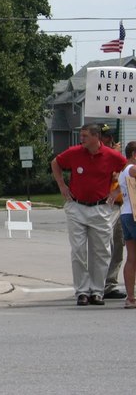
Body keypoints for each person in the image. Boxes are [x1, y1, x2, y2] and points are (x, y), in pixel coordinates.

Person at [51, 123, 127, 306]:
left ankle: (97, 291)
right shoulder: (74, 152)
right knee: (78, 250)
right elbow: (56, 163)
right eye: (81, 135)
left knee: (101, 251)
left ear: (96, 137)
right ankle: (82, 291)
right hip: (76, 206)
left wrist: (116, 192)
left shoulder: (111, 156)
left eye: (85, 135)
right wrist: (62, 185)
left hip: (101, 208)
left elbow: (129, 171)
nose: (81, 138)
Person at [101, 124, 127, 299]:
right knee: (103, 245)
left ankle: (110, 284)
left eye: (109, 136)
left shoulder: (117, 157)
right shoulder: (101, 157)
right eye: (104, 136)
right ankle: (97, 283)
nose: (108, 140)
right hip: (105, 205)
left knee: (118, 245)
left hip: (120, 204)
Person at [116, 141, 136, 308]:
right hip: (134, 214)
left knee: (132, 257)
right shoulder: (131, 169)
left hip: (125, 213)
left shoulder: (123, 171)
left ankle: (130, 298)